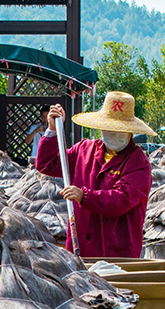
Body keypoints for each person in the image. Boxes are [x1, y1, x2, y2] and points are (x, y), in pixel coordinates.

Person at [35, 91, 154, 258]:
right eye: (109, 128)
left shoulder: (138, 162)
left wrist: (84, 195)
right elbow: (47, 164)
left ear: (130, 132)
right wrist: (53, 131)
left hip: (116, 251)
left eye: (119, 129)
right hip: (80, 246)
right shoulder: (84, 150)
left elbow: (121, 199)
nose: (113, 132)